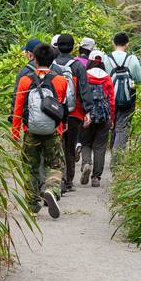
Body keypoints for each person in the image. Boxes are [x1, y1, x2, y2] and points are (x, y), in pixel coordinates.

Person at [12, 43, 68, 219]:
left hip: (31, 131)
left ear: (34, 59)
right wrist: (61, 127)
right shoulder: (60, 81)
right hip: (52, 131)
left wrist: (15, 132)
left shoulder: (25, 80)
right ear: (52, 60)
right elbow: (61, 107)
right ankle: (51, 189)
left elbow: (18, 108)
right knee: (55, 164)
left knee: (30, 167)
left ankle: (32, 203)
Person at [52, 34, 92, 194]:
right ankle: (68, 181)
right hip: (75, 112)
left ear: (57, 46)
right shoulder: (78, 66)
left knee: (58, 146)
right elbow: (84, 89)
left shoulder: (52, 65)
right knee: (70, 147)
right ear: (73, 47)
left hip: (55, 112)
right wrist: (88, 110)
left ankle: (58, 179)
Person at [103, 32, 141, 153]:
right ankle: (117, 154)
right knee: (123, 125)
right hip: (128, 96)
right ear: (127, 44)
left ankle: (112, 148)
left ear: (113, 43)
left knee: (113, 123)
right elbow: (139, 78)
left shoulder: (106, 58)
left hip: (109, 96)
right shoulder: (132, 58)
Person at [80, 50, 115, 187]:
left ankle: (87, 163)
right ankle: (96, 178)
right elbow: (111, 100)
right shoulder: (107, 77)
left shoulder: (85, 75)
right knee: (100, 147)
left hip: (87, 114)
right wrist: (112, 117)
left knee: (86, 142)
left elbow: (81, 95)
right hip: (104, 116)